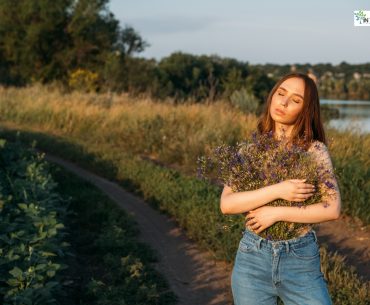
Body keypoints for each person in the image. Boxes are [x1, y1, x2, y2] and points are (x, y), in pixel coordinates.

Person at [220, 72, 341, 305]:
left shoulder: (314, 151)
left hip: (300, 260)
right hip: (252, 259)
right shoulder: (250, 150)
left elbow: (332, 208)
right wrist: (278, 190)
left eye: (296, 100)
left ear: (306, 109)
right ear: (272, 96)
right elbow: (227, 204)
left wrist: (275, 213)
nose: (284, 103)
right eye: (281, 93)